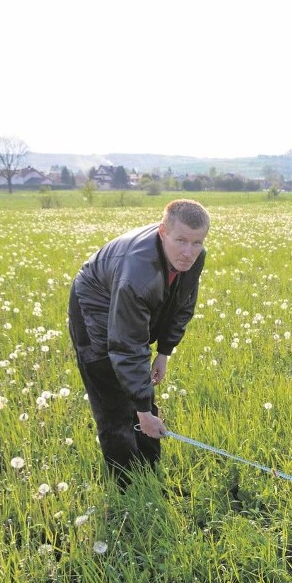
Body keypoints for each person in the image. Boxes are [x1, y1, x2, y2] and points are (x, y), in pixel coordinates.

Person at [68, 198, 210, 489]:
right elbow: (127, 345)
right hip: (93, 303)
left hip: (126, 296)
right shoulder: (137, 275)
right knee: (112, 399)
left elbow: (183, 304)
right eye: (181, 240)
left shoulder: (194, 256)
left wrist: (164, 352)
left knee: (139, 394)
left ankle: (149, 471)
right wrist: (142, 412)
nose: (188, 252)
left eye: (197, 242)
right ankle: (126, 484)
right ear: (162, 232)